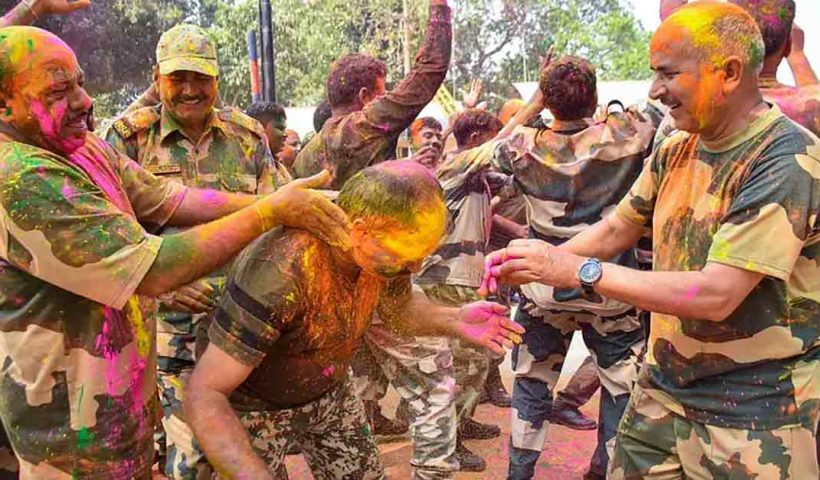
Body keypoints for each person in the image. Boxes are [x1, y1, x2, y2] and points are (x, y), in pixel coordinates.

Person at [483, 3, 820, 478]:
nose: (654, 90)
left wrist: (576, 271)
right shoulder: (676, 146)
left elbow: (717, 294)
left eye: (668, 74)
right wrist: (535, 259)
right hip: (663, 389)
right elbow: (619, 228)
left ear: (727, 72)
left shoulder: (785, 158)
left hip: (754, 409)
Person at [0, 25, 348, 480]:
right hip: (71, 436)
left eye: (80, 83)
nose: (84, 102)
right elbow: (153, 269)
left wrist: (275, 204)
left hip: (123, 411)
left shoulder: (81, 148)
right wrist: (269, 213)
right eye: (59, 91)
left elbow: (169, 198)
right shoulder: (19, 176)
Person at [184, 161, 524, 480]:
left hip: (330, 391)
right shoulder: (282, 271)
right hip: (254, 405)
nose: (414, 269)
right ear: (359, 231)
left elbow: (398, 311)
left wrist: (454, 320)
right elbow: (206, 392)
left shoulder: (383, 248)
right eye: (406, 259)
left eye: (420, 257)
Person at [101, 24, 282, 479]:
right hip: (170, 334)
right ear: (156, 77)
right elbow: (110, 237)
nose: (189, 90)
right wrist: (161, 288)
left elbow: (277, 219)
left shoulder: (248, 138)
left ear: (217, 79)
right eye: (177, 78)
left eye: (200, 78)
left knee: (257, 454)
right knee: (196, 459)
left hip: (244, 330)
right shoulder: (127, 139)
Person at [468, 55, 661, 480]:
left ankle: (519, 474)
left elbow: (482, 154)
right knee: (618, 391)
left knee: (532, 386)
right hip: (610, 291)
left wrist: (533, 105)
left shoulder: (520, 145)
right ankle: (604, 471)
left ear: (547, 102)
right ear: (593, 96)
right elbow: (659, 102)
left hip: (542, 293)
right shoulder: (626, 133)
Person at [292, 0, 451, 188]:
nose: (387, 99)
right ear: (364, 96)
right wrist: (439, 6)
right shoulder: (366, 125)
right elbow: (430, 69)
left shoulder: (302, 159)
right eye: (382, 94)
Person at [245, 101, 293, 185]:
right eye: (280, 128)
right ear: (259, 128)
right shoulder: (245, 164)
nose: (285, 135)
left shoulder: (279, 167)